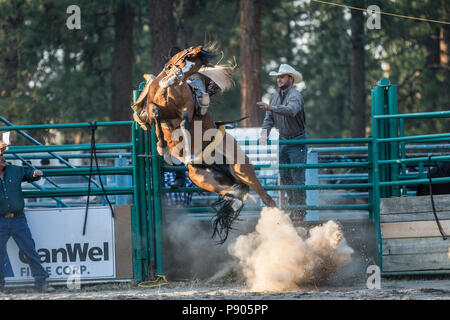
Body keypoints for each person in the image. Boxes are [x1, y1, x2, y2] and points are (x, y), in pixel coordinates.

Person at [0, 141, 55, 293]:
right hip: (2, 219)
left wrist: (35, 173)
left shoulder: (14, 170)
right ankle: (0, 287)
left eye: (3, 155)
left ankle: (41, 282)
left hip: (17, 218)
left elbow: (29, 174)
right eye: (0, 156)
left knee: (29, 249)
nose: (3, 158)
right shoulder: (12, 170)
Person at [257, 64, 307, 221]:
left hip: (297, 140)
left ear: (290, 79)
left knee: (297, 177)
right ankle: (294, 208)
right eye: (278, 77)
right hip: (284, 141)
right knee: (285, 177)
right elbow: (268, 119)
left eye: (282, 76)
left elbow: (291, 110)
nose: (279, 79)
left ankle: (299, 211)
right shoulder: (275, 96)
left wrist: (272, 107)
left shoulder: (295, 95)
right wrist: (264, 135)